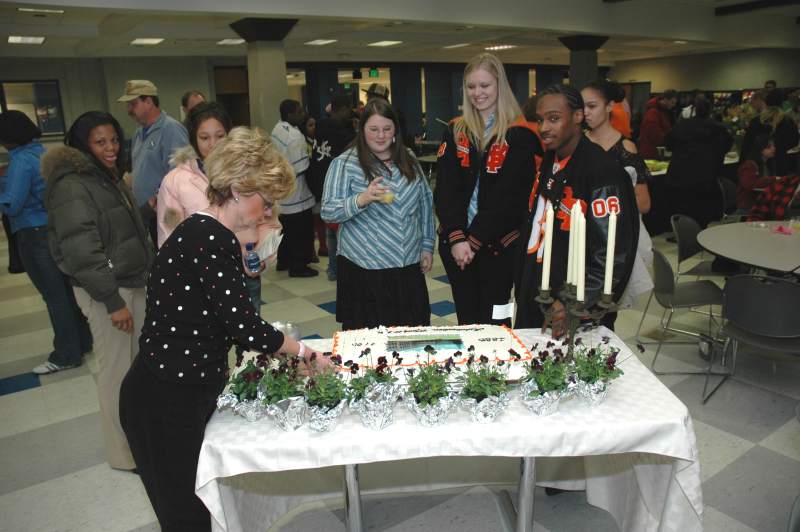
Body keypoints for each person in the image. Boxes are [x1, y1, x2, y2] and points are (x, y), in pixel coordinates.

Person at [120, 127, 329, 531]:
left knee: (196, 506)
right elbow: (247, 329)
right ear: (237, 188)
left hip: (177, 390)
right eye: (265, 202)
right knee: (186, 515)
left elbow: (222, 312)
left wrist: (250, 243)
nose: (268, 213)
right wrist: (305, 353)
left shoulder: (208, 232)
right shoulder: (207, 238)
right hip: (164, 399)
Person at [44, 111, 153, 470]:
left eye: (114, 140)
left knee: (135, 370)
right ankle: (123, 454)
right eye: (100, 142)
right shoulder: (72, 185)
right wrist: (111, 301)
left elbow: (114, 227)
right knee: (116, 372)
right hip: (109, 293)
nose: (110, 148)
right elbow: (81, 251)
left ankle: (137, 439)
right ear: (82, 145)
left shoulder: (104, 176)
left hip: (130, 284)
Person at [515, 84, 638, 335]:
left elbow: (612, 254)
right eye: (540, 120)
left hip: (573, 307)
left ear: (578, 117)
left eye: (554, 118)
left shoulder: (603, 173)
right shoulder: (551, 160)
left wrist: (572, 303)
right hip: (537, 293)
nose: (544, 128)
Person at [434, 52, 542, 326]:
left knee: (497, 317)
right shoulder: (456, 130)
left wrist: (473, 241)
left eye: (485, 86)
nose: (477, 93)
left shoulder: (521, 134)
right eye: (471, 87)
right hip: (458, 245)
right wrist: (458, 239)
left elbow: (508, 197)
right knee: (467, 317)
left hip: (499, 245)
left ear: (499, 86)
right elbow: (446, 188)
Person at [322, 99, 434, 330]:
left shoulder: (409, 158)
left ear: (395, 130)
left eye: (386, 129)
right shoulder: (344, 164)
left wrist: (427, 245)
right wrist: (361, 199)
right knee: (369, 340)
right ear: (362, 130)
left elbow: (425, 203)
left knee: (411, 333)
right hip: (365, 271)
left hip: (407, 267)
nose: (381, 135)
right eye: (373, 129)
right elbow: (328, 212)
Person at [158, 101, 277, 316]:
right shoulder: (176, 181)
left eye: (220, 136)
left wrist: (261, 257)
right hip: (201, 281)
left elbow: (267, 219)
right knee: (210, 344)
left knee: (249, 341)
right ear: (193, 138)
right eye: (204, 137)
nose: (213, 144)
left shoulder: (248, 173)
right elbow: (169, 237)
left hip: (243, 273)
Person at [0, 110, 93, 374]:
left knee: (54, 297)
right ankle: (82, 342)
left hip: (33, 233)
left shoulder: (20, 162)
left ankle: (66, 354)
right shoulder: (42, 152)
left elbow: (13, 203)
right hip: (53, 230)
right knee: (65, 293)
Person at [582, 80, 653, 319]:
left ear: (610, 106)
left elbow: (643, 203)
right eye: (582, 107)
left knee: (603, 311)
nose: (586, 113)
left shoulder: (625, 148)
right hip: (578, 237)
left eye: (592, 106)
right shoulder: (578, 143)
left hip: (609, 240)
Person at [118, 79, 189, 247]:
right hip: (146, 214)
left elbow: (181, 173)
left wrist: (158, 201)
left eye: (133, 104)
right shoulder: (138, 134)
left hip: (166, 214)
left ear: (148, 102)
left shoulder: (171, 129)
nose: (129, 110)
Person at [309, 92, 357, 282]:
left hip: (319, 178)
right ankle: (339, 269)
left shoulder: (319, 126)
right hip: (336, 181)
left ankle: (332, 268)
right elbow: (349, 149)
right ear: (344, 109)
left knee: (330, 227)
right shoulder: (340, 130)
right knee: (339, 228)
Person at [665, 97, 733, 228]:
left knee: (683, 205)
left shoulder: (682, 126)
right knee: (701, 207)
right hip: (705, 174)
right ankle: (700, 230)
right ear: (710, 110)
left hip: (680, 172)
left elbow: (668, 143)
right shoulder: (718, 129)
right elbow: (725, 146)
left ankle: (683, 232)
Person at [271, 99, 318, 277]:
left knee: (286, 229)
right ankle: (299, 266)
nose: (303, 114)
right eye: (299, 112)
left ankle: (283, 261)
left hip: (281, 190)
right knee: (301, 230)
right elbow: (302, 167)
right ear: (290, 114)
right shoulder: (295, 137)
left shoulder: (278, 128)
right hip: (297, 193)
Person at [736, 134, 776, 212]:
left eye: (773, 146)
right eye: (769, 147)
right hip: (749, 207)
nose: (773, 148)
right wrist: (773, 179)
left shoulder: (768, 163)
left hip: (763, 204)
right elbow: (750, 184)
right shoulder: (749, 165)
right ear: (760, 148)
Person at [637, 89, 678, 159]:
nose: (673, 105)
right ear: (665, 99)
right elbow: (655, 136)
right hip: (650, 152)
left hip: (655, 150)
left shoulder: (663, 111)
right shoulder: (653, 113)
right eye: (672, 102)